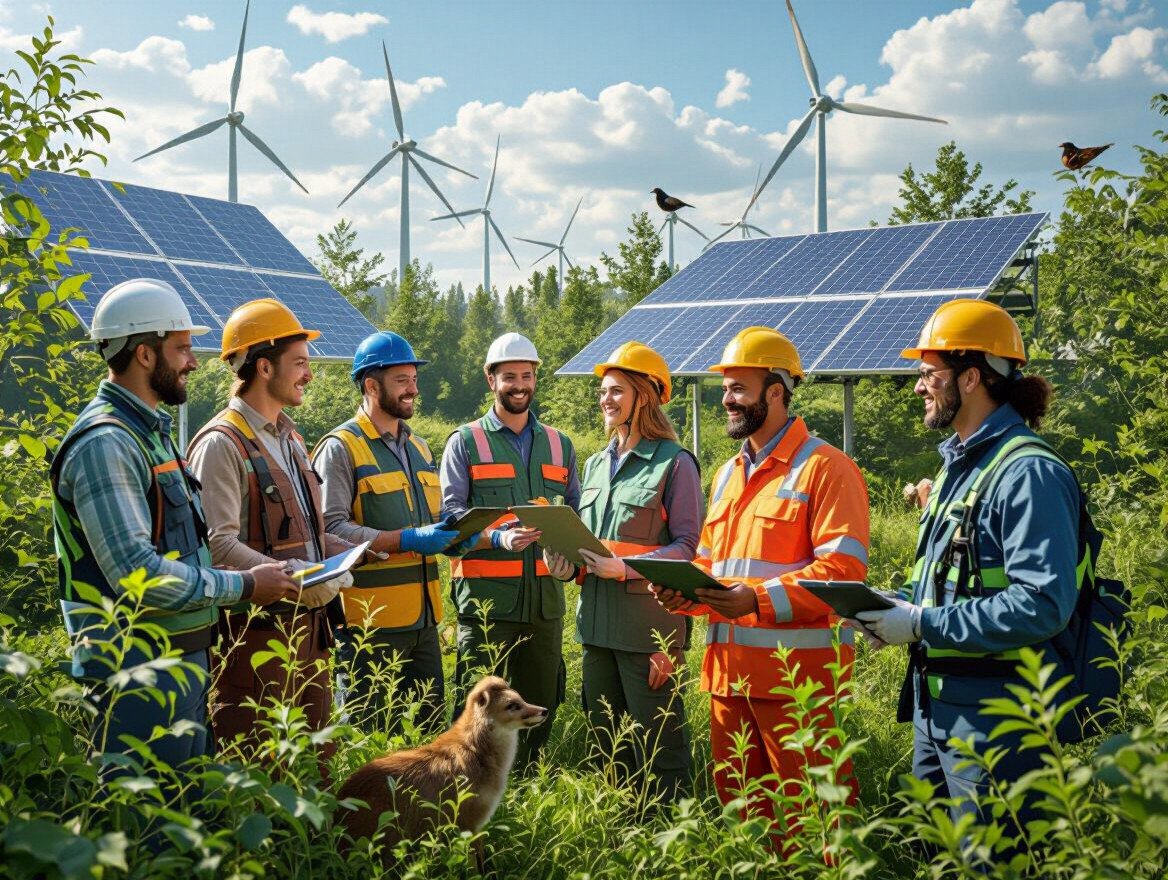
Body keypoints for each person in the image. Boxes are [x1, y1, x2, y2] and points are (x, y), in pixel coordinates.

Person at [52, 279, 298, 769]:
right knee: (146, 831)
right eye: (182, 348)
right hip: (135, 672)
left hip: (176, 661)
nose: (193, 361)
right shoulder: (108, 443)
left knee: (184, 818)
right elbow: (134, 573)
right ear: (145, 354)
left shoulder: (149, 435)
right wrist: (245, 585)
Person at [854, 299, 1080, 828]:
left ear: (972, 377)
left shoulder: (1027, 472)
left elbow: (1043, 605)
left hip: (998, 722)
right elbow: (954, 583)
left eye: (929, 374)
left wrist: (919, 623)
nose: (918, 387)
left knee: (993, 862)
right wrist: (895, 609)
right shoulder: (960, 467)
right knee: (942, 858)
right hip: (938, 711)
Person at [654, 326, 869, 833]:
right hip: (728, 682)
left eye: (738, 389)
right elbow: (713, 564)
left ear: (776, 392)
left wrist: (754, 601)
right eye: (725, 388)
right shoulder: (728, 473)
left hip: (797, 686)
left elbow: (842, 572)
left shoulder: (827, 468)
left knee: (815, 820)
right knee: (744, 820)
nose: (726, 399)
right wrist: (684, 594)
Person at [187, 298, 353, 758]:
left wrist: (340, 550)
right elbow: (217, 546)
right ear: (264, 366)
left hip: (310, 638)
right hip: (254, 644)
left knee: (314, 767)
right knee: (259, 770)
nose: (310, 374)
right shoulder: (221, 444)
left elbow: (305, 530)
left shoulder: (292, 438)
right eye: (299, 363)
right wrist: (292, 579)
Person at [553, 341, 702, 802]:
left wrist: (629, 569)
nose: (606, 400)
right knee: (606, 744)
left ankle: (672, 841)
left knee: (661, 746)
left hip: (650, 635)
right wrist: (564, 567)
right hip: (596, 632)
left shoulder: (675, 463)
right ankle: (620, 832)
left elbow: (688, 548)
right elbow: (590, 550)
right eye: (602, 391)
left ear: (646, 396)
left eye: (617, 390)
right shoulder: (595, 465)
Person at [439, 332, 581, 767]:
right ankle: (467, 788)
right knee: (481, 709)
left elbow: (575, 514)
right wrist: (496, 538)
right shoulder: (465, 442)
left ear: (535, 378)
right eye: (509, 377)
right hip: (487, 605)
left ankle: (529, 781)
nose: (519, 385)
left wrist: (569, 556)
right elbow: (449, 527)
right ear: (491, 380)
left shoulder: (560, 444)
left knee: (539, 702)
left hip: (544, 606)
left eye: (527, 375)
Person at [313, 331, 458, 735]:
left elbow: (435, 521)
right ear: (371, 385)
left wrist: (474, 533)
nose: (413, 389)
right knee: (368, 736)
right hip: (368, 627)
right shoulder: (341, 447)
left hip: (424, 622)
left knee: (428, 739)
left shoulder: (421, 448)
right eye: (402, 380)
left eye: (414, 379)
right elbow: (329, 529)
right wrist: (406, 540)